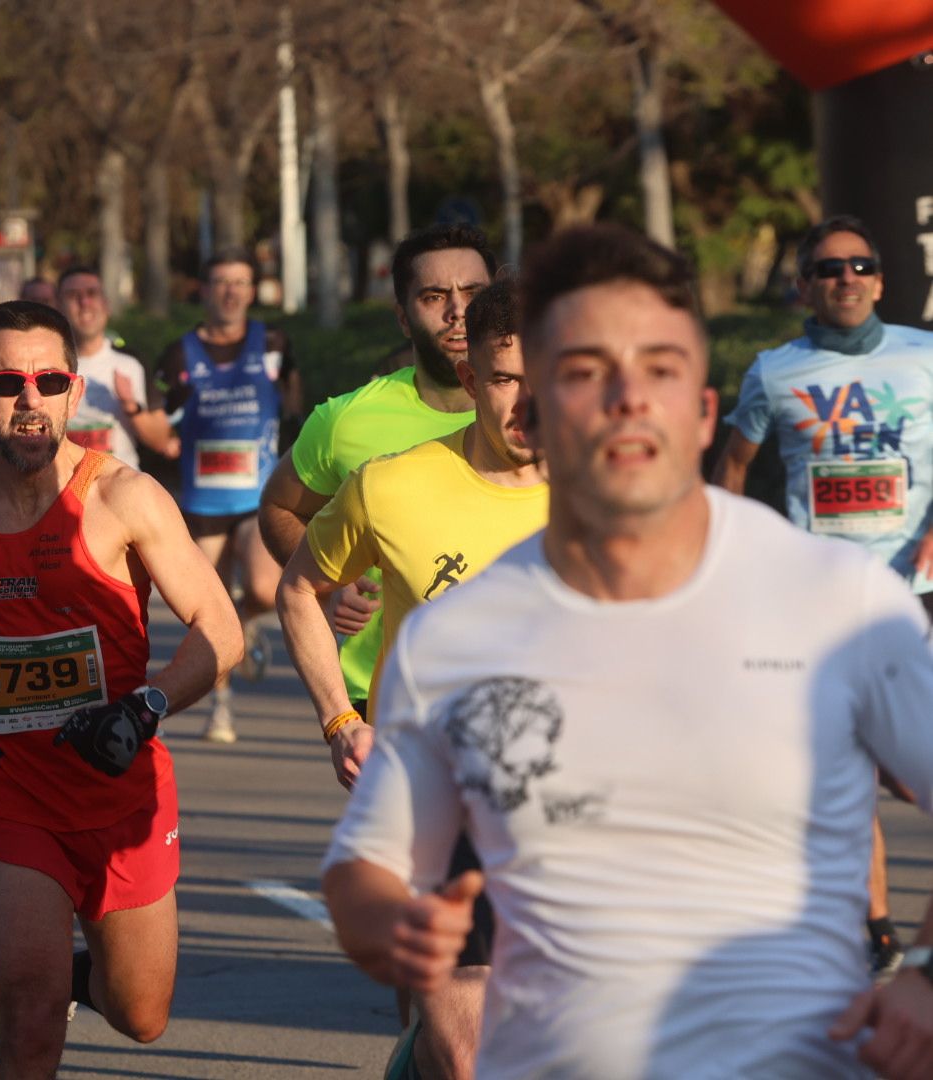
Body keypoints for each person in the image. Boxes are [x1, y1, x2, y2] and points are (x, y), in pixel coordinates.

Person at [323, 223, 933, 1079]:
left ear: (705, 411)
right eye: (586, 375)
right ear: (537, 412)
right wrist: (388, 927)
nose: (629, 402)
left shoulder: (839, 602)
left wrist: (924, 979)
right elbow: (366, 867)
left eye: (661, 370)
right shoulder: (455, 637)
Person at [0, 300, 242, 1077]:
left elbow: (221, 629)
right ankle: (39, 981)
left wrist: (147, 705)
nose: (30, 399)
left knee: (142, 1015)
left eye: (50, 382)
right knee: (30, 1023)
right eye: (8, 383)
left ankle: (76, 975)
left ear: (75, 393)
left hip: (120, 796)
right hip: (9, 797)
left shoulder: (124, 498)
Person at [276, 281, 542, 1079]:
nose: (526, 403)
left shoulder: (618, 496)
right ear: (470, 378)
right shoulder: (391, 486)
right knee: (468, 1055)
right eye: (505, 378)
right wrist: (340, 720)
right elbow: (299, 590)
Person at [712, 214, 931, 975]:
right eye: (829, 269)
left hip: (918, 594)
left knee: (909, 766)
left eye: (860, 266)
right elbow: (732, 466)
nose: (847, 279)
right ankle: (877, 930)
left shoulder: (924, 356)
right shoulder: (775, 371)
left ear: (881, 280)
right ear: (803, 285)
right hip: (821, 602)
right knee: (850, 769)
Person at [260, 223, 496, 722]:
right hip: (385, 700)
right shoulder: (346, 421)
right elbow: (278, 507)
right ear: (404, 319)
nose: (458, 311)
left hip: (514, 691)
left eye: (474, 293)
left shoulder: (540, 416)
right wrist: (329, 582)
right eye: (434, 296)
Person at [155, 247, 300, 741]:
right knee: (206, 615)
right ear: (204, 290)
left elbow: (294, 405)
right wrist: (162, 438)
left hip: (258, 496)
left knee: (262, 589)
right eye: (221, 282)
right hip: (201, 504)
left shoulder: (273, 342)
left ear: (253, 290)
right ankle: (221, 708)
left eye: (240, 282)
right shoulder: (179, 353)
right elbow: (160, 418)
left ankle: (247, 622)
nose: (231, 292)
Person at [55, 266, 174, 469]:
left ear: (106, 304)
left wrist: (131, 407)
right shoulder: (48, 366)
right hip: (65, 486)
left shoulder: (131, 363)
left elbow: (162, 440)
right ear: (58, 307)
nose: (84, 303)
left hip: (121, 485)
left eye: (92, 293)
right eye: (73, 295)